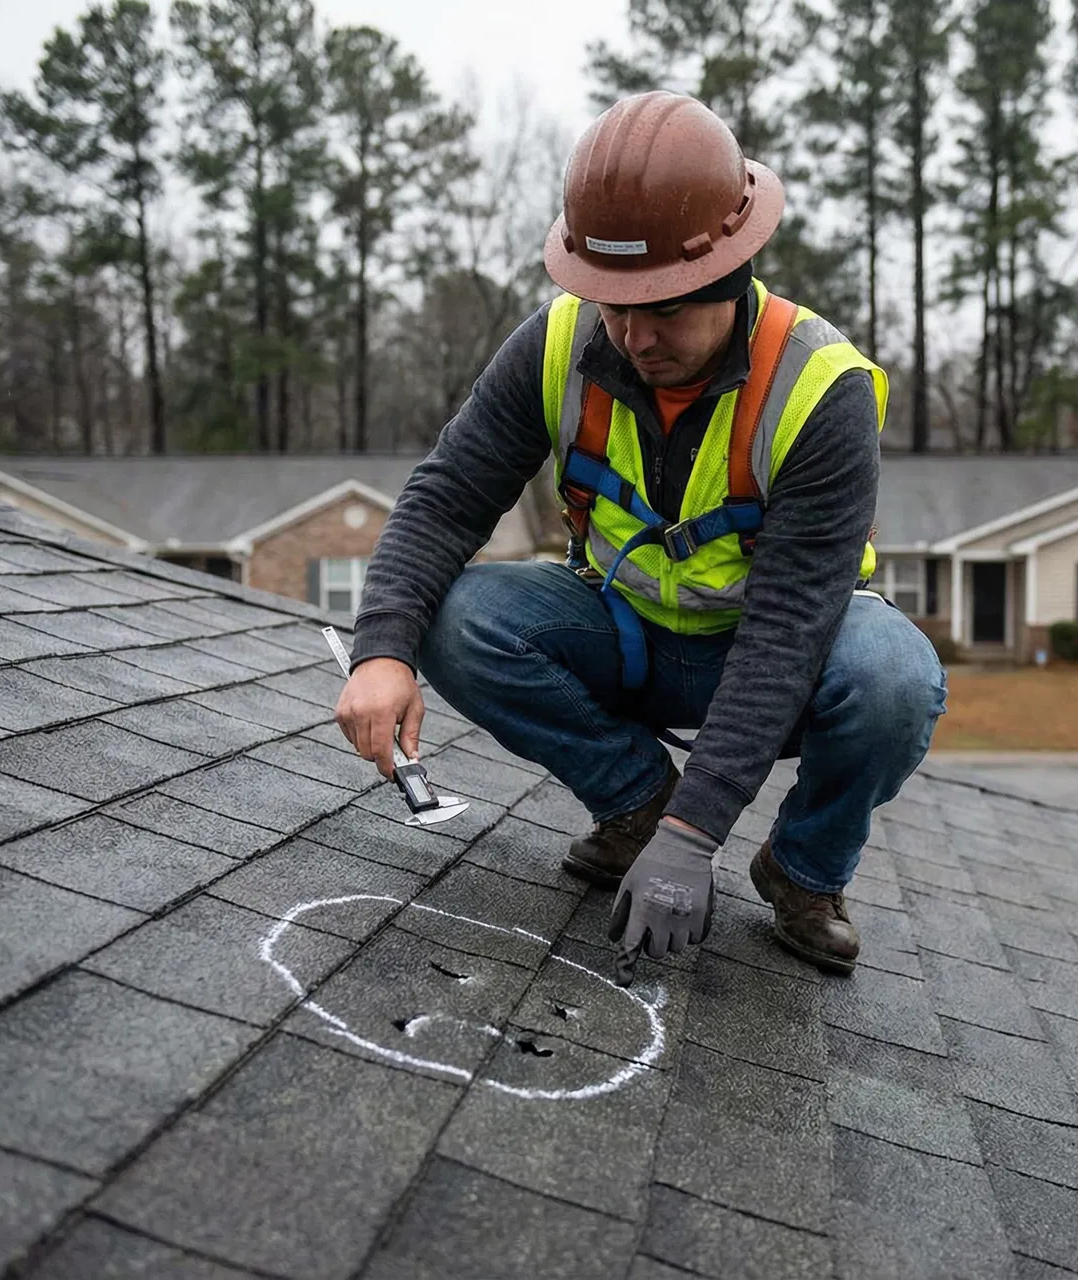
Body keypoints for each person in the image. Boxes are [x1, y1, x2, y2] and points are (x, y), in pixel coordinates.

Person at [334, 90, 946, 980]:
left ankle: (804, 871)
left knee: (894, 680)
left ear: (733, 278)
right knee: (454, 614)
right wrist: (379, 649)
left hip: (781, 650)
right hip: (626, 635)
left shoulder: (820, 389)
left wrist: (695, 839)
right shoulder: (556, 345)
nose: (633, 335)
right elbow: (445, 499)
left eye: (663, 308)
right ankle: (632, 802)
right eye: (613, 304)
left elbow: (785, 632)